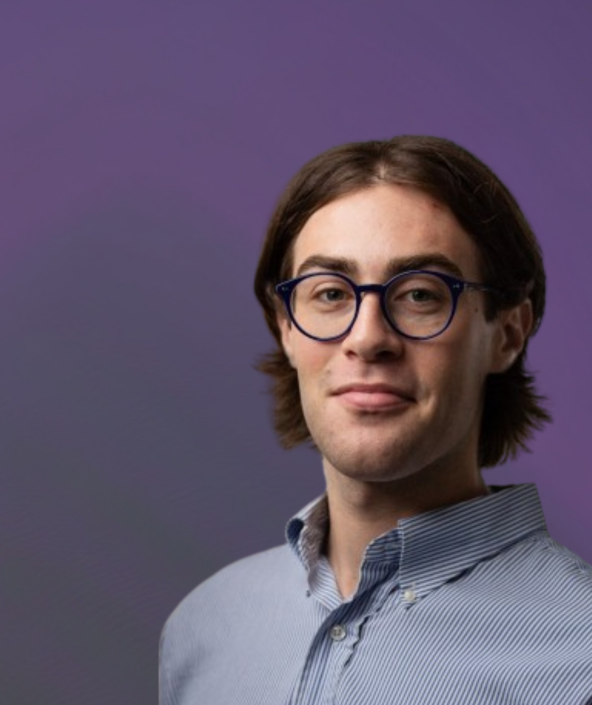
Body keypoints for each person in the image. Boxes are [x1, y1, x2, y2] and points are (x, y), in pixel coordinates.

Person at [159, 136, 592, 705]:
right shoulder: (205, 627)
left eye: (419, 295)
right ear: (286, 329)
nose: (367, 338)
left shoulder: (579, 652)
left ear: (507, 333)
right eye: (331, 293)